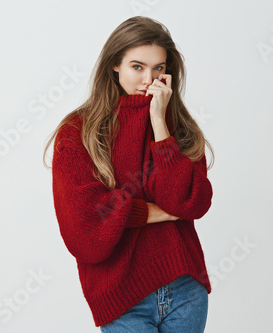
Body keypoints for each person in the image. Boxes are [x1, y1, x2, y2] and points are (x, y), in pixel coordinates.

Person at [43, 16, 215, 332]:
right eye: (137, 66)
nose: (149, 78)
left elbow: (191, 202)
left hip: (185, 288)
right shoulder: (78, 132)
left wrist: (160, 125)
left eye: (159, 68)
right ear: (115, 65)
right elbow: (84, 229)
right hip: (122, 299)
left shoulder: (179, 127)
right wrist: (155, 213)